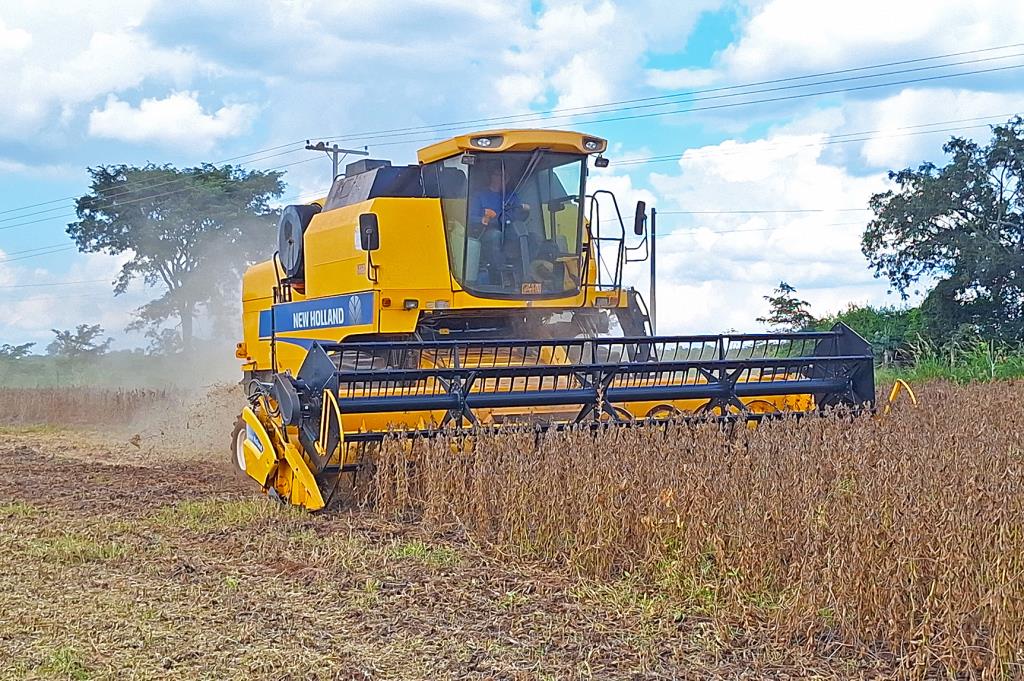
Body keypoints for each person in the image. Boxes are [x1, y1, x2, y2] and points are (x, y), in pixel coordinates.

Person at [469, 166, 530, 284]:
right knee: (495, 235)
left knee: (530, 237)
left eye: (505, 176)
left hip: (509, 231)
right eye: (498, 175)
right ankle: (500, 274)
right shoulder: (479, 195)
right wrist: (482, 219)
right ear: (491, 176)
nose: (502, 179)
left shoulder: (511, 196)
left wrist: (525, 210)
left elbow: (519, 212)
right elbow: (469, 218)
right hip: (486, 231)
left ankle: (525, 273)